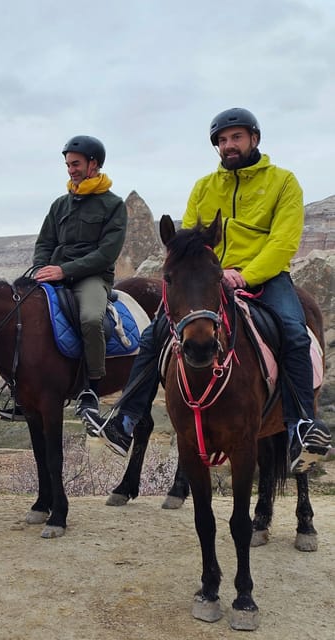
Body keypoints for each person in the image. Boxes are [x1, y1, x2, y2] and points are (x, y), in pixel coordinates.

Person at [91, 107, 331, 473]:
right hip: (210, 278)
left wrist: (246, 275)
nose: (229, 145)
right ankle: (126, 419)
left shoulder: (284, 182)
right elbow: (190, 243)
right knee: (156, 334)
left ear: (254, 139)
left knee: (295, 333)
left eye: (236, 137)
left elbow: (283, 241)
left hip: (265, 277)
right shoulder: (204, 187)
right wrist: (212, 273)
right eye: (222, 140)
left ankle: (300, 425)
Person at [30, 135, 127, 425]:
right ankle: (22, 388)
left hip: (92, 277)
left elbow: (107, 254)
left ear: (93, 164)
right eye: (68, 165)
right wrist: (39, 268)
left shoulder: (113, 205)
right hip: (54, 272)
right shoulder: (60, 205)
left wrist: (64, 271)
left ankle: (92, 390)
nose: (70, 169)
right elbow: (44, 242)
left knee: (91, 319)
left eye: (76, 164)